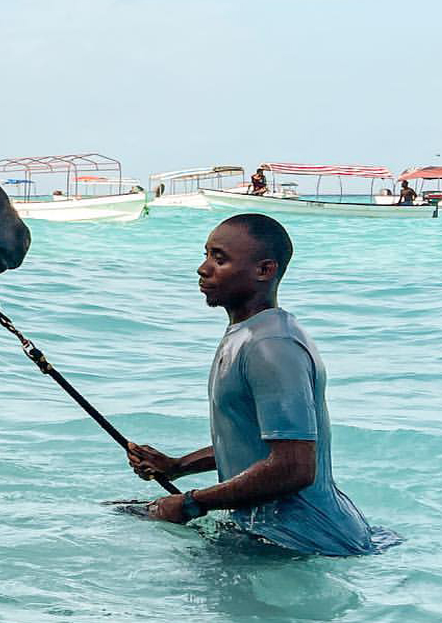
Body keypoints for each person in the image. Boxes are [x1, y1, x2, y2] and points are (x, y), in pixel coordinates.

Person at [127, 214, 375, 556]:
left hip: (303, 543)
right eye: (206, 255)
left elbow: (294, 467)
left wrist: (190, 504)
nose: (203, 268)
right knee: (121, 512)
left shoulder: (271, 346)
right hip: (274, 535)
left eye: (220, 258)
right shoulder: (248, 334)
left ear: (264, 270)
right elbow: (257, 446)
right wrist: (177, 466)